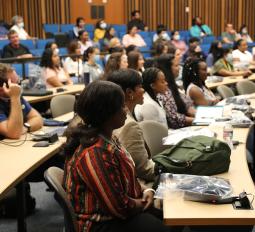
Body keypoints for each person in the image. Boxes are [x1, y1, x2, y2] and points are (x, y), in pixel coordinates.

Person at [60, 81, 171, 232]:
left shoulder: (107, 138)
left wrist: (147, 191)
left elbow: (125, 179)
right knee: (166, 226)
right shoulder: (94, 153)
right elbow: (120, 208)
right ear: (108, 112)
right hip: (98, 224)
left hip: (115, 214)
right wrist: (145, 201)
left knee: (170, 219)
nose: (126, 110)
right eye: (122, 106)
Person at [183, 58, 255, 176]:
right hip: (209, 125)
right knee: (245, 128)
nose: (207, 72)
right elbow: (210, 112)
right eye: (204, 70)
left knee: (249, 124)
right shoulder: (194, 89)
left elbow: (216, 102)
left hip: (217, 119)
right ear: (195, 72)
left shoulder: (202, 86)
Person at [105, 69, 157, 183]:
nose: (143, 90)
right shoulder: (128, 125)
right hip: (138, 185)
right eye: (140, 86)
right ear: (129, 92)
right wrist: (170, 168)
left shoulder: (110, 116)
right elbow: (144, 170)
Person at [0, 63, 43, 140]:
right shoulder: (14, 95)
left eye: (19, 81)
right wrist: (15, 97)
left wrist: (25, 127)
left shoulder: (14, 94)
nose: (19, 86)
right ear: (0, 90)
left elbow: (37, 118)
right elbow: (14, 133)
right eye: (16, 84)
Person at [156, 54, 195, 128]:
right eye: (176, 66)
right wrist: (198, 120)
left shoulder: (174, 85)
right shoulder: (164, 92)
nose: (180, 68)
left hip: (190, 123)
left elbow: (187, 107)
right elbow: (175, 119)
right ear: (168, 69)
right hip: (181, 130)